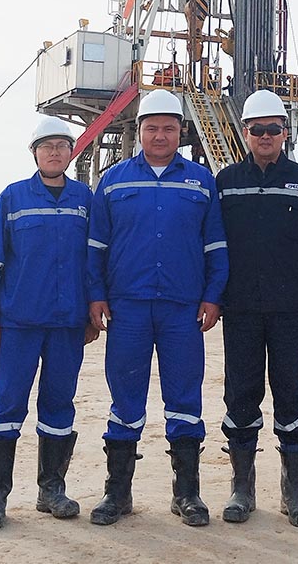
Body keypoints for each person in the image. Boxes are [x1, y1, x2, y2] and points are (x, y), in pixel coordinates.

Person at [87, 89, 228, 528]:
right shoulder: (113, 181)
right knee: (125, 398)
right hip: (127, 307)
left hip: (182, 309)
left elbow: (216, 246)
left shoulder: (201, 181)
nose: (160, 135)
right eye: (152, 128)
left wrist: (213, 295)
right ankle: (117, 493)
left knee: (184, 398)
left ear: (181, 132)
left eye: (169, 128)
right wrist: (96, 295)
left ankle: (187, 494)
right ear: (140, 131)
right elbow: (95, 247)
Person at [0, 116, 94, 530]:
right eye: (47, 147)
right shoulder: (13, 197)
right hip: (18, 323)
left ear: (71, 152)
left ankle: (51, 490)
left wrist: (91, 313)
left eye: (62, 146)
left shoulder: (85, 199)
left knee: (59, 404)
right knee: (8, 405)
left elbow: (93, 261)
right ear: (35, 153)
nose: (55, 152)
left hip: (67, 323)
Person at [216, 89, 298, 527]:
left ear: (285, 132)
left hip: (289, 309)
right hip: (240, 308)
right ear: (245, 132)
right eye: (257, 129)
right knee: (241, 393)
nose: (265, 136)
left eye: (273, 129)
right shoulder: (226, 182)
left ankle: (294, 491)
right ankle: (242, 488)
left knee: (291, 391)